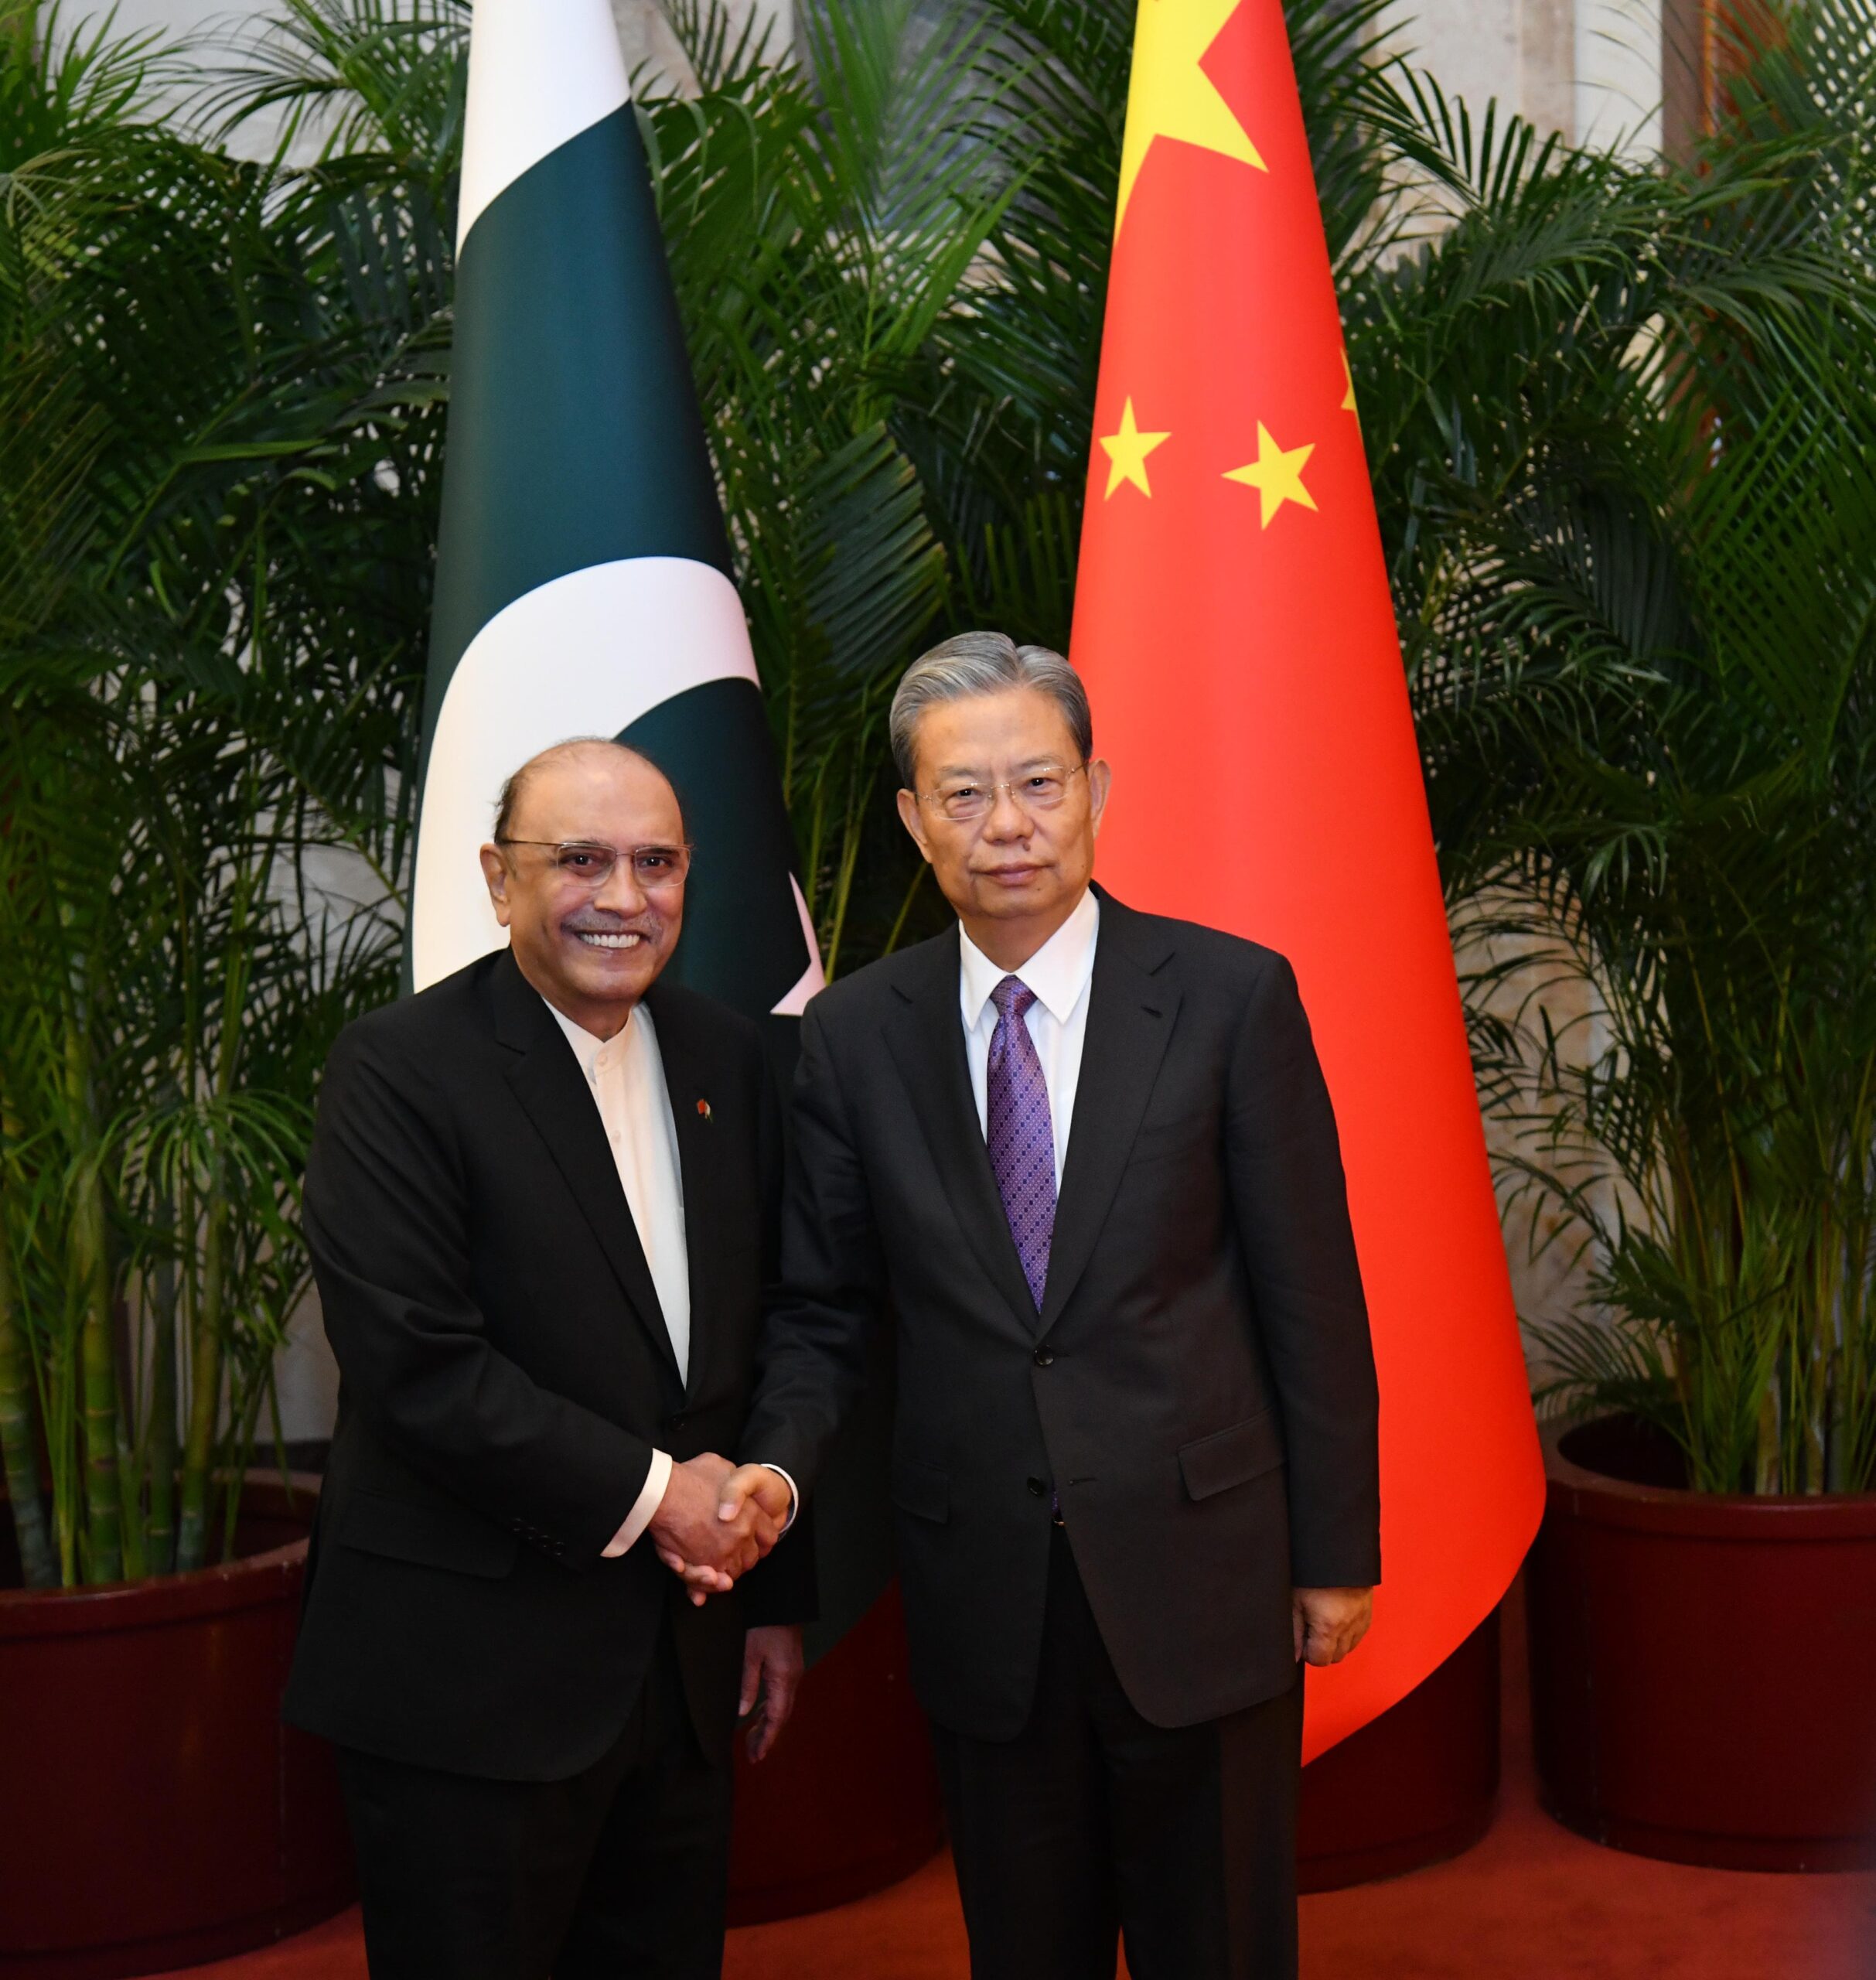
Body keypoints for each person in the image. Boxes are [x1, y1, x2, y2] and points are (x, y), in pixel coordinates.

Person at [710, 633, 1380, 1980]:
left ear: (1095, 791)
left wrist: (1335, 1550)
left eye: (1037, 783)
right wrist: (773, 1474)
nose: (1005, 825)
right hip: (983, 1589)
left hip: (1201, 1571)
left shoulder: (1228, 996)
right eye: (963, 794)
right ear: (915, 822)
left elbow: (1310, 1295)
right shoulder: (856, 1034)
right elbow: (825, 1309)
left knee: (1222, 1946)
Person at [285, 738, 810, 1980]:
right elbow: (418, 1366)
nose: (623, 898)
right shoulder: (399, 1069)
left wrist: (772, 1590)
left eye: (656, 863)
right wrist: (661, 1496)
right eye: (580, 860)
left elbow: (777, 1324)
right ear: (498, 878)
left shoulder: (731, 1058)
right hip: (470, 1685)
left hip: (684, 1668)